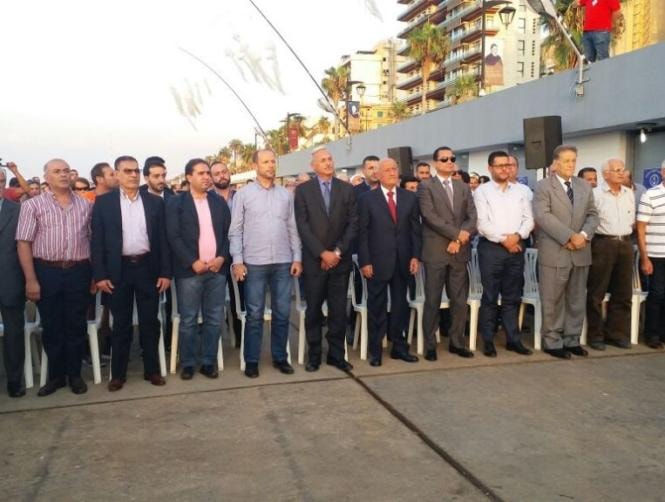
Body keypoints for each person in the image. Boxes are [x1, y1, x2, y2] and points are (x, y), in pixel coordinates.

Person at [91, 155, 171, 391]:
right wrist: (100, 275)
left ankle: (152, 370)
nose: (133, 175)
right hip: (119, 271)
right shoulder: (104, 203)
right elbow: (97, 242)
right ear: (117, 174)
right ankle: (118, 374)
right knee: (121, 324)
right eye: (127, 171)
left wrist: (165, 272)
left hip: (147, 268)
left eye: (136, 170)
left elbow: (163, 240)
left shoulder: (154, 202)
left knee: (150, 322)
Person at [16, 159, 93, 396]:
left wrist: (94, 274)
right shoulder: (33, 205)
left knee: (76, 324)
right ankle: (56, 376)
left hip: (79, 271)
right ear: (46, 177)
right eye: (56, 171)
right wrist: (31, 279)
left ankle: (75, 375)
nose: (63, 175)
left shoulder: (85, 205)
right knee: (52, 326)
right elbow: (24, 243)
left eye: (66, 170)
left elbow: (92, 240)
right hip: (47, 271)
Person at [230, 149, 302, 378]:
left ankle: (280, 357)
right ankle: (252, 360)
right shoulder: (243, 195)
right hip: (254, 263)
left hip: (283, 261)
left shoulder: (285, 195)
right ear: (256, 166)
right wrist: (237, 261)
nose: (271, 165)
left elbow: (292, 228)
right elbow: (235, 231)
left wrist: (297, 257)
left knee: (282, 312)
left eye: (273, 161)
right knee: (254, 314)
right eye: (266, 162)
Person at [294, 147, 358, 372]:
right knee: (313, 311)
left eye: (330, 159)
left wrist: (336, 253)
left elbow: (353, 223)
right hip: (314, 262)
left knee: (338, 311)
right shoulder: (303, 191)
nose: (328, 163)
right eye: (322, 160)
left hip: (340, 262)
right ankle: (314, 355)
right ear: (313, 165)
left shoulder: (347, 189)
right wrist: (322, 253)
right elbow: (302, 226)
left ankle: (336, 355)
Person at [166, 159, 231, 379]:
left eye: (207, 173)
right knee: (189, 320)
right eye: (201, 173)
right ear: (189, 177)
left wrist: (221, 257)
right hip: (189, 273)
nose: (206, 177)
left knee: (214, 318)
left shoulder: (218, 202)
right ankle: (188, 363)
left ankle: (208, 362)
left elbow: (228, 234)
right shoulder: (176, 203)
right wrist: (192, 261)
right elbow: (173, 236)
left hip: (216, 270)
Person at [533, 145, 599, 359]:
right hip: (555, 251)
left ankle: (572, 340)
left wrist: (583, 235)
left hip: (581, 251)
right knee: (553, 299)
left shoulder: (583, 186)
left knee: (576, 299)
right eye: (567, 160)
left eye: (573, 160)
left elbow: (593, 215)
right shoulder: (543, 186)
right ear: (555, 163)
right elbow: (543, 216)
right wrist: (569, 237)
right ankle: (552, 342)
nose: (571, 164)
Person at [358, 158, 421, 366]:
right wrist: (365, 261)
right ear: (378, 175)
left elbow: (415, 230)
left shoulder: (409, 197)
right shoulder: (367, 199)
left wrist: (415, 256)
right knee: (377, 307)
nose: (392, 173)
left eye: (395, 169)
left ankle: (399, 347)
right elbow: (362, 233)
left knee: (401, 306)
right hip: (376, 262)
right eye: (387, 170)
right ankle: (376, 351)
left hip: (403, 261)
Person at [418, 146, 477, 361]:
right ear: (435, 163)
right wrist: (456, 235)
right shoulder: (426, 186)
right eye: (444, 159)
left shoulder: (463, 186)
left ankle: (457, 343)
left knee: (459, 301)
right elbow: (430, 217)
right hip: (436, 252)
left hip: (459, 252)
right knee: (433, 300)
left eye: (452, 158)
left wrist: (459, 239)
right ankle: (430, 345)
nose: (449, 162)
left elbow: (472, 217)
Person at [474, 151, 534, 357]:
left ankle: (513, 340)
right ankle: (488, 340)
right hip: (491, 248)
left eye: (507, 165)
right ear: (490, 168)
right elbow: (482, 223)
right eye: (499, 166)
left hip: (516, 247)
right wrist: (504, 240)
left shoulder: (520, 191)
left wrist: (517, 236)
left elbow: (529, 220)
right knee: (490, 297)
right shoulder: (482, 191)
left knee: (512, 296)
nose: (504, 169)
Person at [585, 159, 634, 351]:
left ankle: (617, 334)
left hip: (625, 243)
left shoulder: (629, 193)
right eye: (616, 170)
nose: (621, 173)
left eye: (623, 169)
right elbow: (588, 220)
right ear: (606, 174)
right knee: (597, 292)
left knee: (623, 292)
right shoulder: (595, 194)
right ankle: (596, 335)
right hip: (603, 243)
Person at [0, 167, 27, 397]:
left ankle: (14, 381)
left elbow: (25, 246)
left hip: (10, 280)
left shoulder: (18, 211)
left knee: (14, 334)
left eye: (0, 181)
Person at [210, 160, 241, 346]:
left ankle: (240, 338)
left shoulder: (240, 196)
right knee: (216, 302)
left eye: (224, 171)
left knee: (240, 299)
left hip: (239, 256)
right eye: (217, 173)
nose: (222, 175)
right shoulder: (208, 199)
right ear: (211, 177)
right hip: (218, 256)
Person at [637, 159, 665, 350]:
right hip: (656, 255)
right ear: (662, 173)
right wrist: (645, 257)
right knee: (657, 294)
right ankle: (652, 334)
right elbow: (641, 228)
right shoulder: (650, 195)